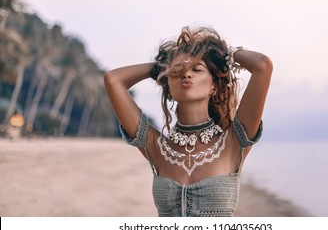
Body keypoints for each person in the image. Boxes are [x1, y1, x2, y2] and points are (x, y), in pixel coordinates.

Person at [104, 26, 272, 217]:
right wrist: (162, 66)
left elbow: (263, 66)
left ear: (214, 87)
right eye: (178, 71)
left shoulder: (234, 142)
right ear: (168, 87)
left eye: (197, 69)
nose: (186, 74)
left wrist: (225, 55)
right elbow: (113, 80)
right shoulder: (157, 147)